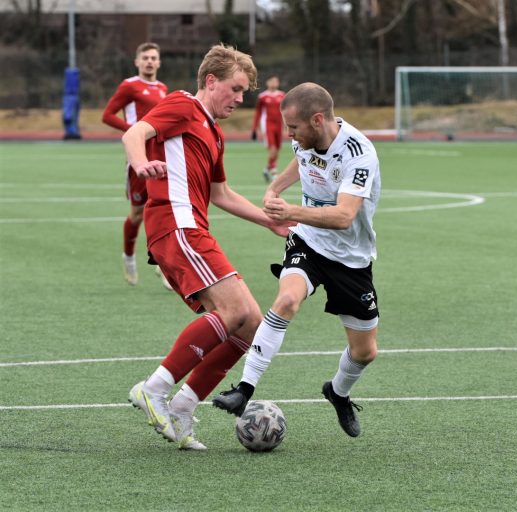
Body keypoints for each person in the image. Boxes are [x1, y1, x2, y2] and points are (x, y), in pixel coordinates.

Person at [121, 44, 292, 450]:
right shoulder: (182, 105)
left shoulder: (213, 132)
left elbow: (222, 194)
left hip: (193, 228)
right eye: (234, 89)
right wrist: (141, 163)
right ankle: (154, 389)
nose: (239, 99)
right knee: (234, 311)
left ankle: (183, 407)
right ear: (210, 81)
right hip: (175, 225)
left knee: (250, 322)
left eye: (244, 93)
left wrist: (270, 221)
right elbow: (135, 133)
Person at [213, 82, 381, 438]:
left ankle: (338, 392)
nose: (289, 134)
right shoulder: (306, 139)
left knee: (364, 352)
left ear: (317, 120)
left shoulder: (359, 153)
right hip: (308, 242)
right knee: (287, 300)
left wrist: (291, 209)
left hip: (351, 257)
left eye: (293, 128)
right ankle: (244, 389)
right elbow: (300, 160)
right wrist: (275, 187)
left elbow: (344, 216)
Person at [102, 42, 173, 289]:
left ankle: (163, 265)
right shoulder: (129, 86)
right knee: (137, 213)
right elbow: (107, 115)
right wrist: (133, 131)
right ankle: (129, 256)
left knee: (164, 210)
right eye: (146, 58)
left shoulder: (163, 89)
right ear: (137, 62)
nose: (150, 62)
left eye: (154, 57)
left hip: (160, 159)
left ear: (159, 62)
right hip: (137, 160)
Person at [251, 75, 286, 183]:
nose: (274, 83)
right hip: (268, 125)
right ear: (267, 83)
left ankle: (267, 169)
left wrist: (287, 124)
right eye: (272, 81)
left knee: (278, 148)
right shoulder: (263, 96)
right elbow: (258, 113)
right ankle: (274, 172)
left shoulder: (282, 95)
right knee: (273, 148)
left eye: (276, 81)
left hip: (279, 125)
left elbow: (285, 111)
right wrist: (254, 128)